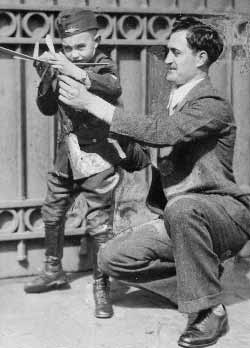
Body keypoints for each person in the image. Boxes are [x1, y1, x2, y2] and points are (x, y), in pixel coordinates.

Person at [56, 16, 250, 347]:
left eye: (175, 52)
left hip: (222, 214)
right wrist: (109, 141)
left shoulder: (211, 104)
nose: (167, 60)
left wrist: (94, 104)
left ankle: (209, 310)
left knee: (182, 208)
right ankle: (201, 275)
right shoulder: (174, 102)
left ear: (201, 58)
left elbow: (162, 133)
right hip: (182, 217)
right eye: (166, 53)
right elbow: (148, 156)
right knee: (110, 258)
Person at [24, 8, 127, 319]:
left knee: (99, 226)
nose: (74, 53)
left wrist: (75, 70)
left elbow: (113, 87)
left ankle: (101, 286)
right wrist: (45, 75)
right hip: (65, 158)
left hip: (98, 159)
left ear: (96, 41)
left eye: (81, 47)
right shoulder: (61, 64)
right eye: (68, 48)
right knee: (51, 212)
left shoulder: (104, 64)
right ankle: (53, 271)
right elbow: (45, 108)